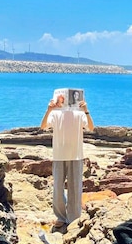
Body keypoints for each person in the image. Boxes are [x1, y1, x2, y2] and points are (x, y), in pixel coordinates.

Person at [40, 93, 94, 232]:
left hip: (76, 154)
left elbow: (91, 128)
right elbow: (43, 126)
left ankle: (74, 218)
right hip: (59, 155)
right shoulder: (55, 113)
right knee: (58, 187)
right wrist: (49, 110)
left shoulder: (80, 114)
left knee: (75, 187)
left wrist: (86, 110)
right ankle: (61, 217)